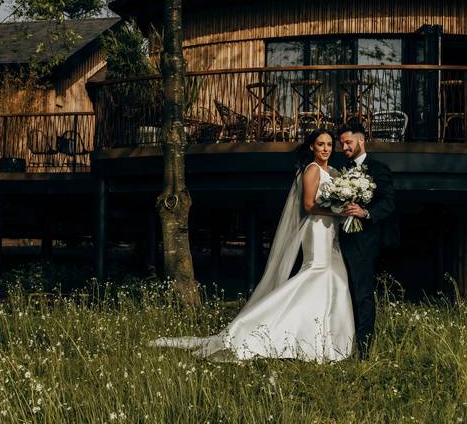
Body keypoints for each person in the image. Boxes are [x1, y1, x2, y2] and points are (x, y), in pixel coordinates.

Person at [151, 128, 355, 361]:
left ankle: (329, 341)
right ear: (312, 147)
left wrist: (341, 208)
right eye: (321, 144)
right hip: (317, 228)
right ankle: (264, 327)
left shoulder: (335, 172)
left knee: (334, 276)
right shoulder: (311, 170)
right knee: (317, 272)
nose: (326, 148)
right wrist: (336, 210)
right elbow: (308, 205)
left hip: (331, 230)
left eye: (329, 144)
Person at [337, 121, 397, 360]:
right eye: (341, 143)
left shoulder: (379, 169)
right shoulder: (340, 169)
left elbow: (388, 203)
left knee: (362, 294)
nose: (344, 147)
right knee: (344, 292)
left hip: (365, 242)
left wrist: (365, 213)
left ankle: (363, 350)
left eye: (348, 142)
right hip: (341, 240)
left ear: (361, 141)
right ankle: (342, 343)